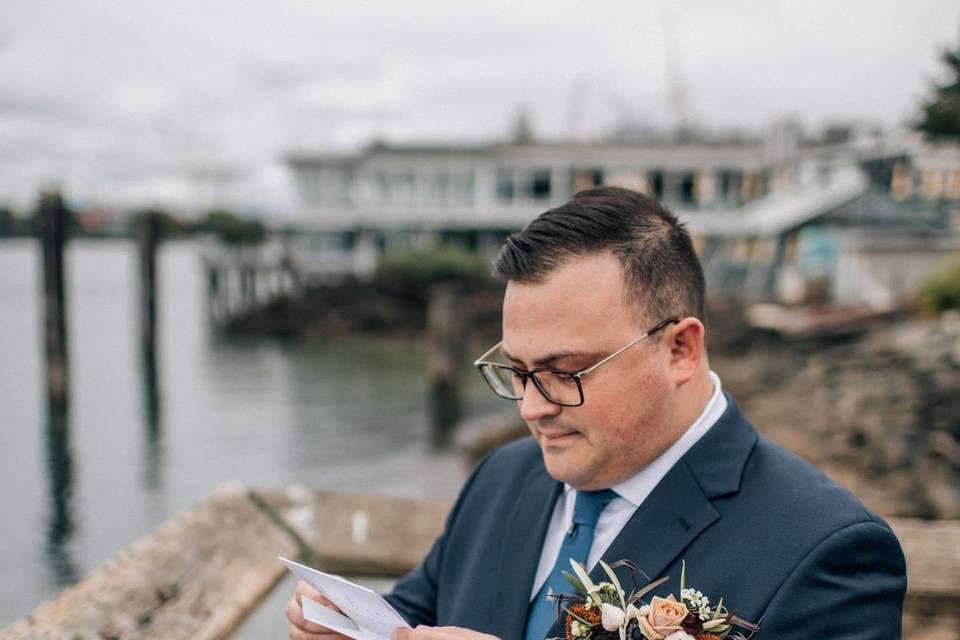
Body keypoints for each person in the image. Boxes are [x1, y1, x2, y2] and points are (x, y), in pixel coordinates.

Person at [287, 187, 906, 640]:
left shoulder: (828, 552)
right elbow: (421, 612)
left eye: (565, 372)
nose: (532, 408)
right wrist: (350, 627)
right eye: (517, 371)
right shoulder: (502, 476)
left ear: (679, 349)